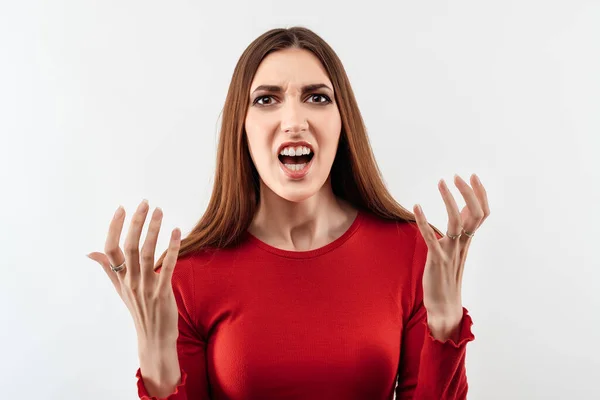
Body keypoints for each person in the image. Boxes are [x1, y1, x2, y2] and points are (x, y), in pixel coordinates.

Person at [87, 26, 490, 400]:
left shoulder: (413, 253)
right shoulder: (185, 277)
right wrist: (155, 358)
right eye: (266, 99)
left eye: (317, 97)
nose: (294, 121)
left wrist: (445, 325)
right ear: (241, 127)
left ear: (342, 121)